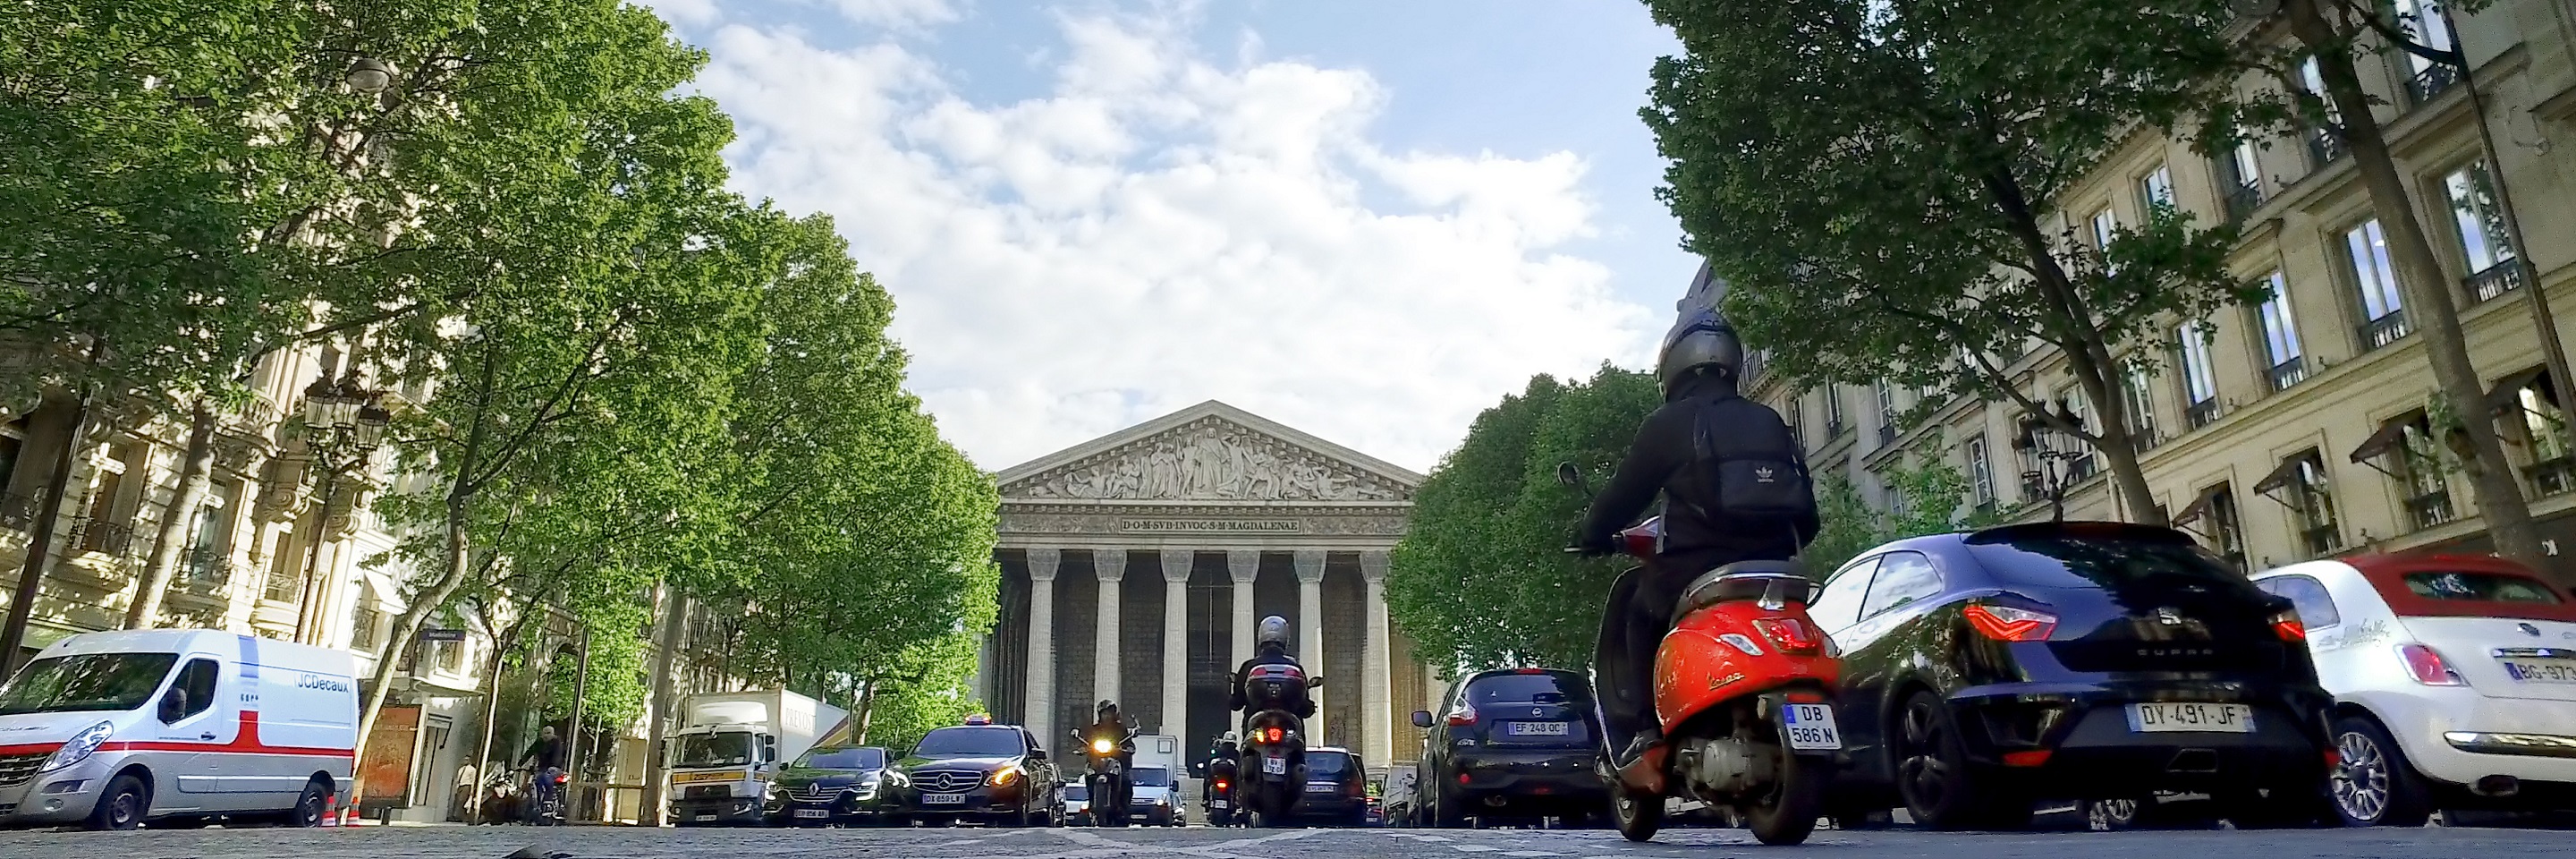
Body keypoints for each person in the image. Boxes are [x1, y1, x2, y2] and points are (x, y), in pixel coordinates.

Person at [1577, 302, 1818, 766]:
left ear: (1673, 366)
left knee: (1640, 613)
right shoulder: (1769, 419)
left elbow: (1623, 495)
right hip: (1777, 564)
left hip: (1697, 564)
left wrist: (1592, 533)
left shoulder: (1670, 423)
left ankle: (1647, 733)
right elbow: (1808, 510)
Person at [1225, 617, 1314, 719]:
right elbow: (1305, 709)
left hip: (1256, 724)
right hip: (1289, 724)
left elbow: (1236, 704)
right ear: (1285, 639)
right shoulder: (1294, 667)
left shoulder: (1249, 666)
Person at [517, 726, 567, 821]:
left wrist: (552, 766)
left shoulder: (557, 743)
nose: (546, 735)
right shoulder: (539, 742)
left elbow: (557, 756)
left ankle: (548, 802)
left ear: (553, 734)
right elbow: (530, 751)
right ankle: (537, 807)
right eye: (545, 733)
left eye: (549, 733)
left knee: (545, 779)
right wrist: (520, 763)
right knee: (536, 782)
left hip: (554, 768)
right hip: (541, 768)